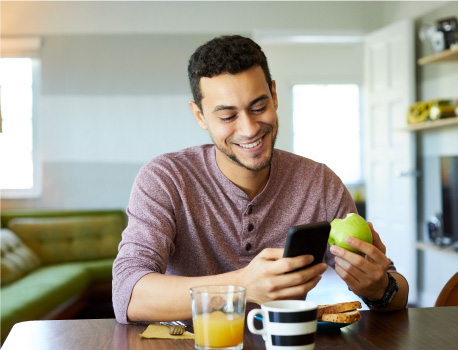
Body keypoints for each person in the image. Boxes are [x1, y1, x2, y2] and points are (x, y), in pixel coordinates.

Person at [112, 35, 409, 324]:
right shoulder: (165, 179)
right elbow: (128, 294)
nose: (250, 128)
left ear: (274, 95)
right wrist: (241, 285)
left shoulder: (320, 183)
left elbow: (396, 292)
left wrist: (379, 287)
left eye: (258, 107)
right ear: (200, 116)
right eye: (228, 116)